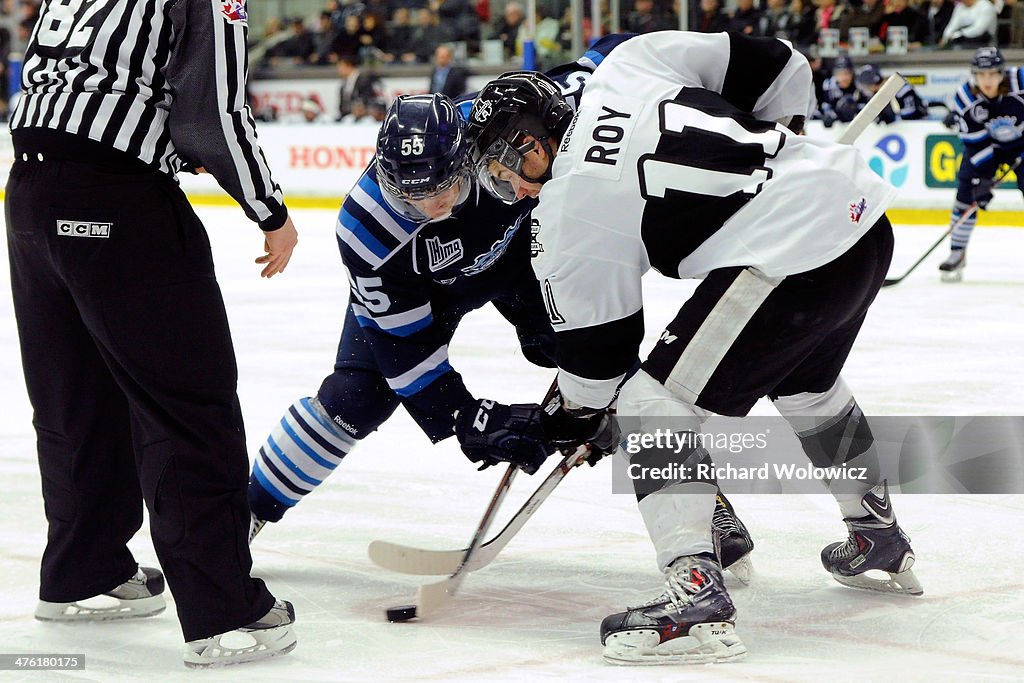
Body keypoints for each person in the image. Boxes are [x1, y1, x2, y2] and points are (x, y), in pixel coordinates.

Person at [464, 30, 921, 665]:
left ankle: (696, 591)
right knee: (808, 385)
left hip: (794, 258)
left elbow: (601, 360)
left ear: (534, 138)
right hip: (860, 217)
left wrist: (572, 419)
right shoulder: (624, 68)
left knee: (652, 407)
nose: (512, 186)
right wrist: (774, 155)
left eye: (508, 166)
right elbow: (779, 62)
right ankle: (876, 533)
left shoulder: (568, 208)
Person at [247, 39, 755, 579]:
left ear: (468, 153)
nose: (429, 208)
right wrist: (465, 416)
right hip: (427, 294)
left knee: (606, 369)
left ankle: (707, 511)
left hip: (524, 256)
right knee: (356, 396)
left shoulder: (501, 125)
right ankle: (245, 511)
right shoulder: (368, 229)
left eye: (441, 189)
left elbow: (599, 66)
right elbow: (403, 345)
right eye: (409, 197)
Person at [5, 0, 298, 669]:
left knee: (73, 397)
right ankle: (226, 611)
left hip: (28, 193)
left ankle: (84, 571)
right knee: (189, 405)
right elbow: (210, 113)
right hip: (117, 196)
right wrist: (271, 211)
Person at [939, 47, 1024, 281]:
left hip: (1021, 144)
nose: (987, 80)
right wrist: (983, 180)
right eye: (981, 74)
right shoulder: (965, 98)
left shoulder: (1021, 81)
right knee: (967, 193)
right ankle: (957, 253)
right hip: (987, 147)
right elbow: (975, 144)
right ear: (973, 75)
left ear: (1002, 73)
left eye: (992, 74)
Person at [855, 64, 929, 122]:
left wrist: (892, 116)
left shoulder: (900, 87)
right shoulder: (869, 95)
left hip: (917, 127)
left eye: (866, 86)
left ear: (873, 84)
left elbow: (911, 114)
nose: (864, 89)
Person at [817, 55, 858, 126]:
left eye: (847, 73)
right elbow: (825, 106)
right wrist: (830, 116)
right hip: (836, 125)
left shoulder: (858, 86)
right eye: (840, 74)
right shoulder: (829, 86)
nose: (844, 78)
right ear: (835, 74)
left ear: (852, 74)